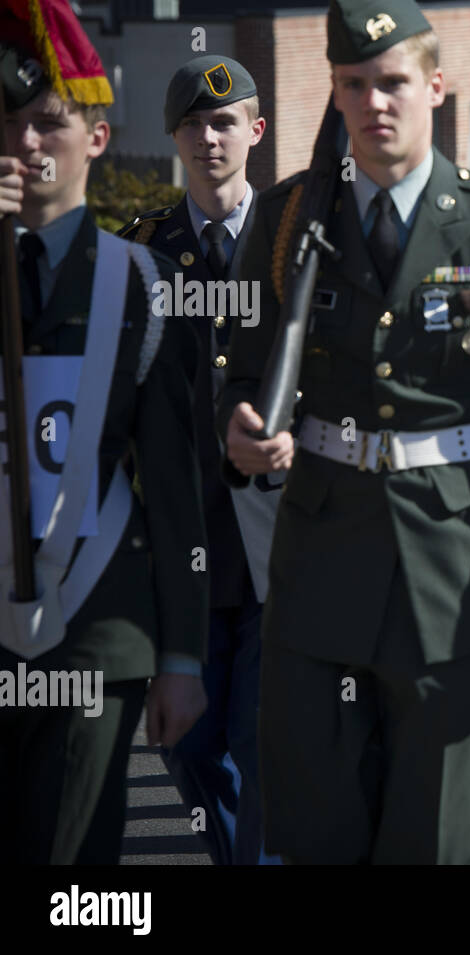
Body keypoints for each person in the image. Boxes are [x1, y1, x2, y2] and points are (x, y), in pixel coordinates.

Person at [216, 0, 470, 864]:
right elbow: (242, 371)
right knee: (319, 835)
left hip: (462, 571)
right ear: (336, 91)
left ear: (435, 86)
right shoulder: (289, 220)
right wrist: (241, 427)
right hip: (320, 568)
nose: (375, 102)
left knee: (435, 841)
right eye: (354, 85)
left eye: (393, 81)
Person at [0, 38, 207, 863]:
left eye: (49, 123)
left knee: (76, 859)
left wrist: (182, 654)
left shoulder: (146, 283)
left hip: (97, 618)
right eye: (9, 124)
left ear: (96, 136)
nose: (26, 143)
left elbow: (174, 482)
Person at [117, 53, 277, 867]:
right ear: (174, 137)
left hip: (276, 539)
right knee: (188, 747)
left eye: (225, 121)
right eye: (193, 124)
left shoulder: (294, 249)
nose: (209, 137)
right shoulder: (140, 255)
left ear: (255, 129)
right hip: (181, 548)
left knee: (263, 741)